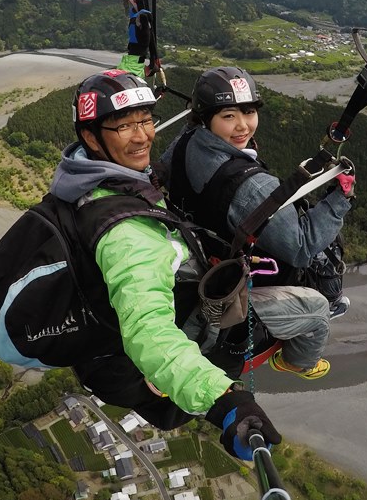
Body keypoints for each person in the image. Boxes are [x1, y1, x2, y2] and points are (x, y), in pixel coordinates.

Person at [47, 67, 285, 459]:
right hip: (137, 371)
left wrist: (135, 51)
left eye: (145, 119)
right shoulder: (126, 234)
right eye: (125, 126)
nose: (142, 135)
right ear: (90, 137)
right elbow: (148, 329)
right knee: (305, 308)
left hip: (105, 348)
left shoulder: (81, 175)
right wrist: (224, 400)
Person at [160, 66, 356, 377]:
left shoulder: (188, 138)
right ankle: (297, 361)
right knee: (319, 310)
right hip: (229, 280)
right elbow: (301, 247)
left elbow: (162, 173)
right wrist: (340, 199)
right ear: (207, 117)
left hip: (201, 247)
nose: (242, 126)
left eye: (248, 112)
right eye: (228, 116)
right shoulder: (253, 187)